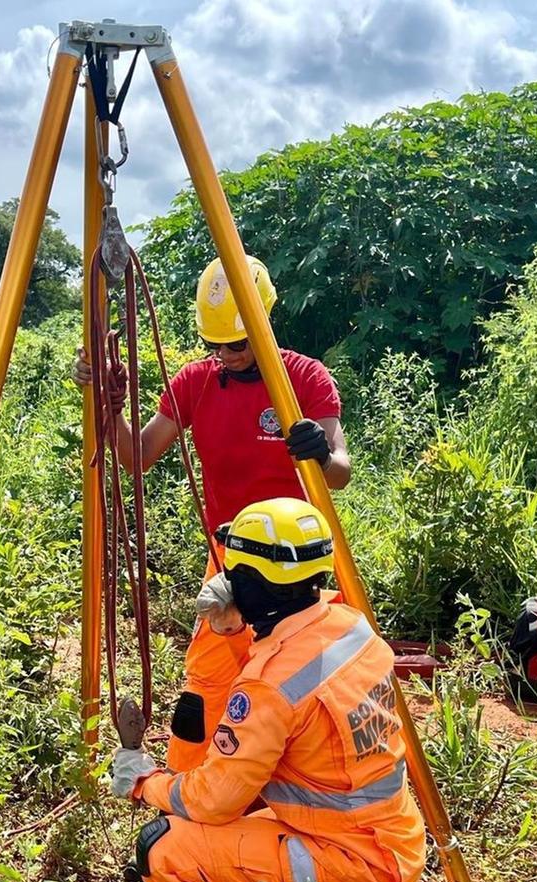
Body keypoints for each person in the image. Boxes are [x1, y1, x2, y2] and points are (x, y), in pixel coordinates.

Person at [110, 497, 424, 882]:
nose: (226, 580)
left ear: (257, 585)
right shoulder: (349, 625)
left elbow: (213, 799)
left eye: (236, 572)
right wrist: (239, 625)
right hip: (395, 843)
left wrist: (145, 782)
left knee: (163, 847)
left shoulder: (267, 687)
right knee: (253, 807)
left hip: (356, 869)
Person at [76, 257, 351, 771]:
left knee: (304, 675)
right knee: (209, 675)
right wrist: (106, 403)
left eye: (237, 343)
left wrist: (320, 451)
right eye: (215, 345)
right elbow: (136, 455)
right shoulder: (196, 383)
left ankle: (294, 777)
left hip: (300, 562)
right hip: (230, 558)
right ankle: (188, 784)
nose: (225, 354)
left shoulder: (304, 378)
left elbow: (339, 471)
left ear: (264, 321)